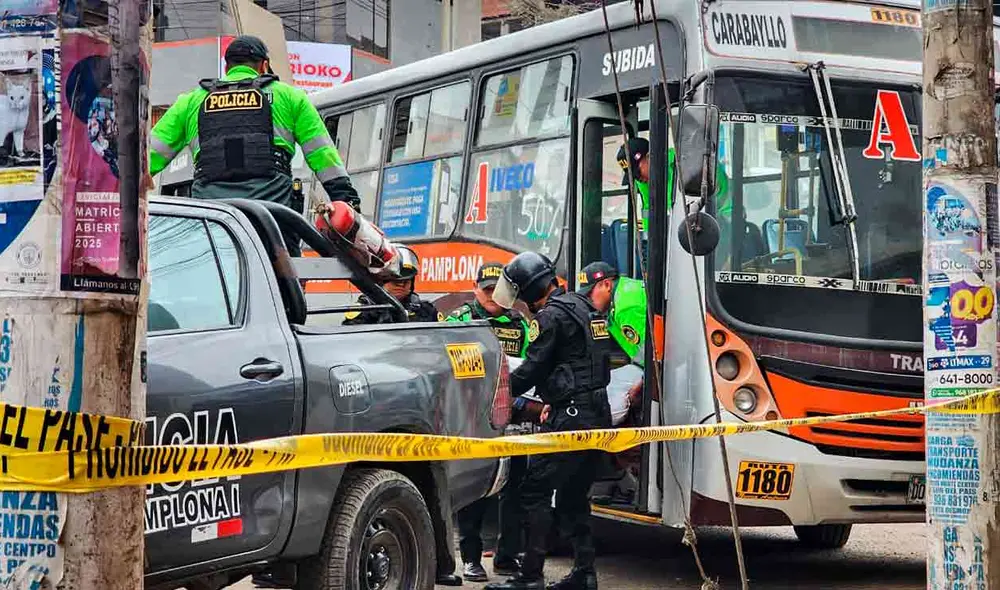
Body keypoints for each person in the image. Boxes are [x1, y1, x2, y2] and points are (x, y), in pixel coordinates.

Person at [149, 35, 361, 240]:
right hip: (274, 217)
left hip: (214, 220)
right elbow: (322, 153)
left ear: (226, 68)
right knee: (284, 272)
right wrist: (345, 199)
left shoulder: (191, 102)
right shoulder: (290, 97)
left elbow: (148, 156)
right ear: (264, 66)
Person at [485, 252, 612, 590]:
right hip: (599, 413)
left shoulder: (551, 316)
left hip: (570, 417)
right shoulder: (584, 307)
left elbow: (533, 368)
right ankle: (585, 574)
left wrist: (498, 392)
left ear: (526, 291)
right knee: (574, 495)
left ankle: (530, 576)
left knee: (534, 490)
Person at [448, 262, 530, 582]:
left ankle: (507, 557)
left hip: (516, 421)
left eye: (498, 290)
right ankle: (470, 558)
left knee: (516, 493)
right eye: (486, 290)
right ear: (475, 289)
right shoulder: (459, 321)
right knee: (476, 491)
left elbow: (532, 363)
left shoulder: (520, 324)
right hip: (474, 420)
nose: (493, 297)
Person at [343, 246, 441, 325]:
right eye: (396, 282)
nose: (402, 286)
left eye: (407, 282)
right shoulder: (364, 311)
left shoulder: (425, 309)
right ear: (380, 282)